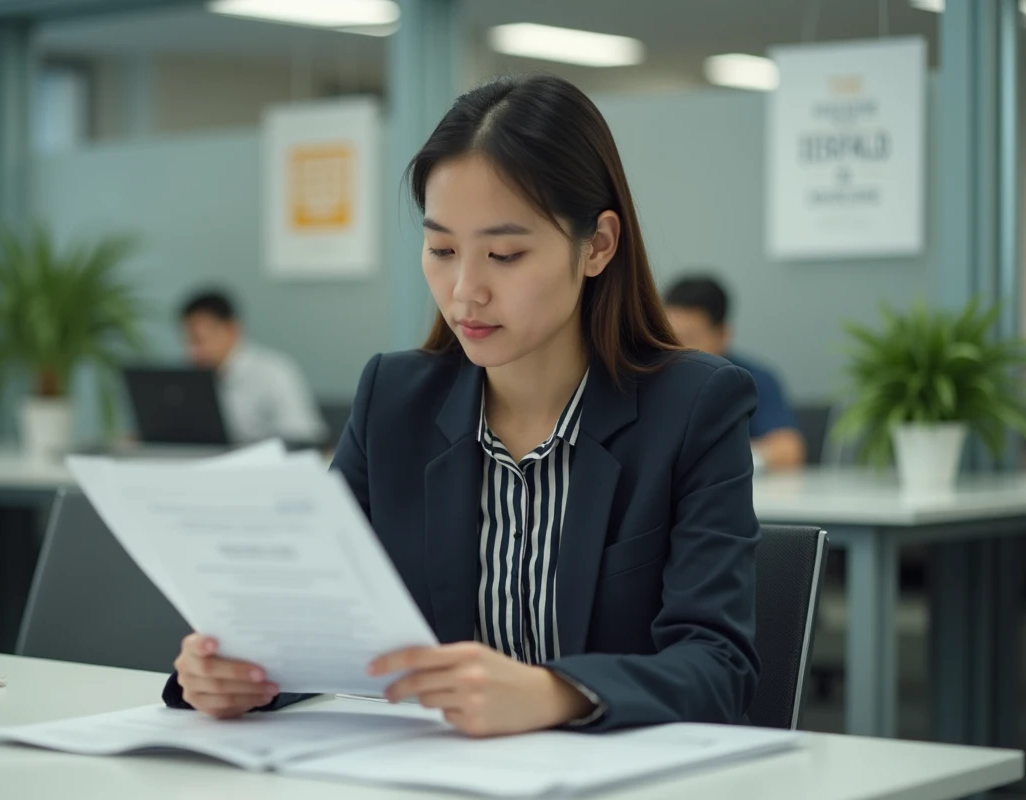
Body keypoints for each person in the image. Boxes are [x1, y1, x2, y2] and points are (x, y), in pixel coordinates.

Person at [166, 76, 761, 736]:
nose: (464, 291)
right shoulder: (393, 401)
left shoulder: (695, 407)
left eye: (504, 254)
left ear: (597, 246)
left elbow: (718, 669)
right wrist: (237, 674)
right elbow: (315, 622)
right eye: (442, 249)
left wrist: (555, 693)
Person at [663, 276, 806, 471]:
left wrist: (716, 456)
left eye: (690, 338)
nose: (677, 350)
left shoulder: (753, 379)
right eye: (667, 337)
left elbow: (788, 452)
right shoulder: (652, 378)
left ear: (723, 334)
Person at [180, 290, 328, 446]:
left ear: (232, 330)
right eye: (187, 342)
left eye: (198, 341)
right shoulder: (191, 379)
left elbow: (303, 437)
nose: (191, 351)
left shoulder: (275, 372)